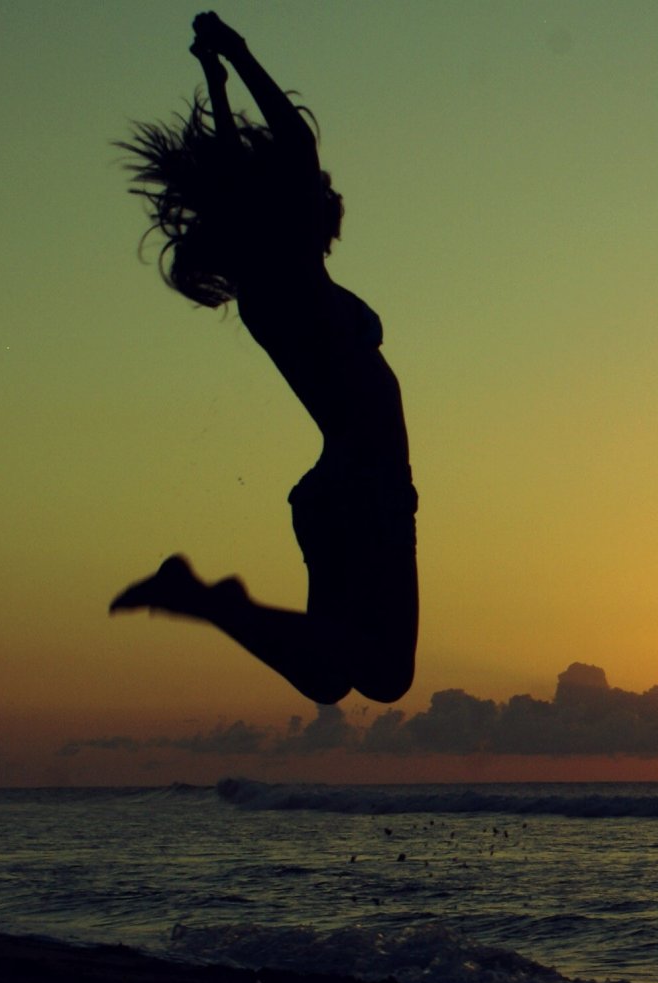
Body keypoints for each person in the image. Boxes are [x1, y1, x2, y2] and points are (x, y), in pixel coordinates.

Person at [111, 11, 416, 705]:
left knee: (327, 676)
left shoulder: (272, 287)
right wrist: (236, 51)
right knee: (385, 674)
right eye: (319, 188)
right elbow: (294, 139)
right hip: (366, 482)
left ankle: (207, 601)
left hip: (336, 487)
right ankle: (206, 602)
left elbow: (243, 180)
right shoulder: (293, 281)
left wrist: (216, 86)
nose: (328, 190)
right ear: (295, 209)